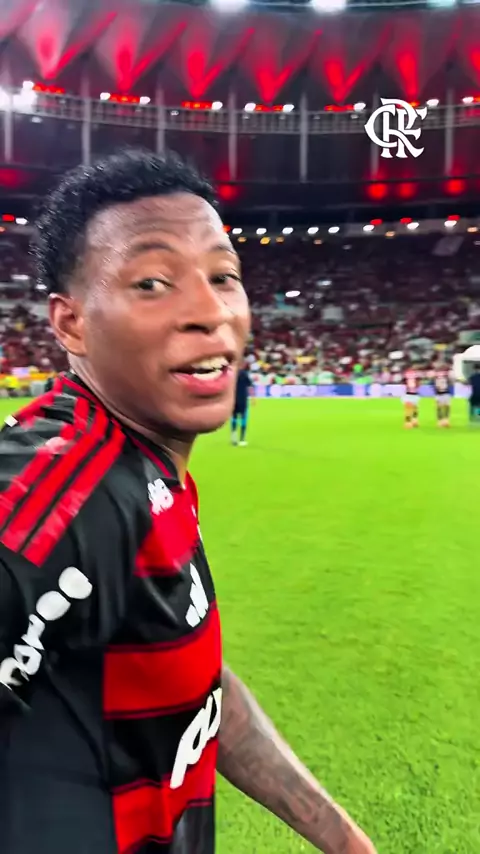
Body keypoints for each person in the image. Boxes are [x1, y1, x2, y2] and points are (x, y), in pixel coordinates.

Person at [0, 150, 376, 854]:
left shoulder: (144, 469)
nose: (210, 312)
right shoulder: (67, 487)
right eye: (152, 282)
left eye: (223, 276)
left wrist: (345, 840)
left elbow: (201, 687)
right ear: (70, 323)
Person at [231, 360, 253, 446]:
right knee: (243, 418)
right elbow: (250, 386)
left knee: (234, 418)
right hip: (242, 399)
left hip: (234, 399)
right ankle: (242, 439)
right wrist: (253, 398)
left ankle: (234, 438)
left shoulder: (232, 374)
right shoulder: (244, 374)